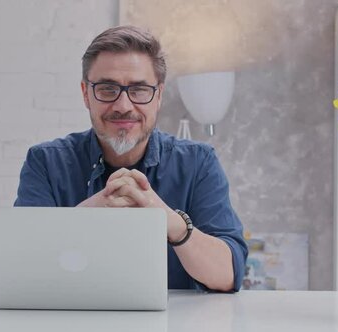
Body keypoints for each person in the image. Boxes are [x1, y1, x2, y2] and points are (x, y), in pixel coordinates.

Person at [14, 25, 247, 292]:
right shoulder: (45, 162)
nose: (123, 106)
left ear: (158, 95)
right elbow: (20, 268)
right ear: (85, 94)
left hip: (177, 331)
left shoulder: (198, 163)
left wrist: (170, 221)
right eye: (107, 88)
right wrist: (92, 212)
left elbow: (228, 275)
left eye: (138, 90)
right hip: (70, 328)